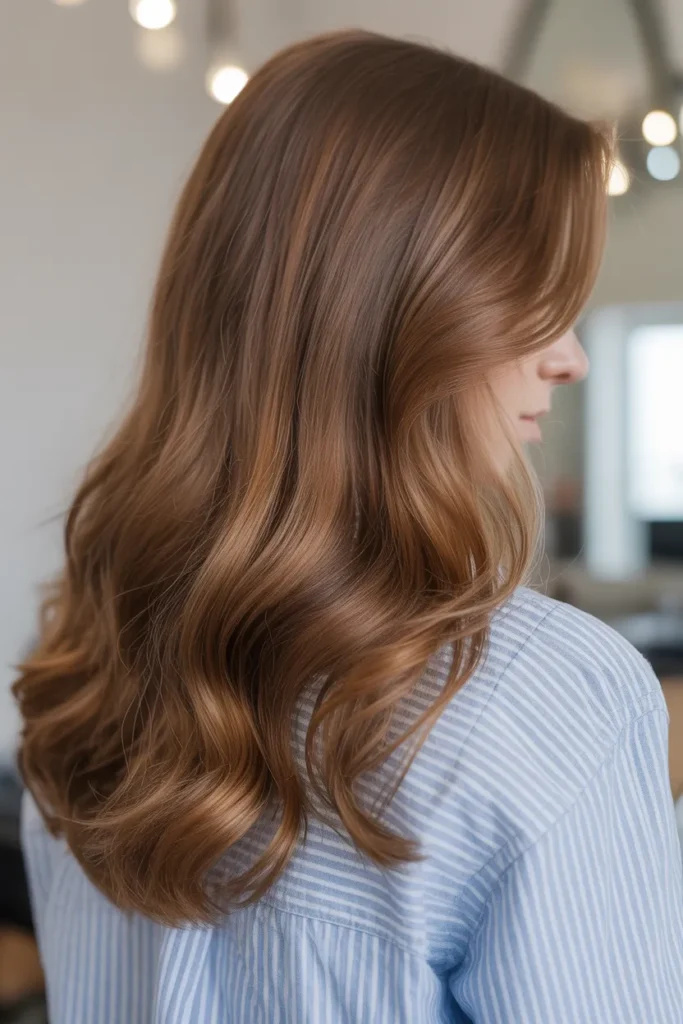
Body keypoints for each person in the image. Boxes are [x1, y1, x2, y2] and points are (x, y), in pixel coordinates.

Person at [13, 30, 683, 1024]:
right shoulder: (550, 701)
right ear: (401, 314)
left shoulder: (89, 661)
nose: (568, 356)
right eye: (530, 300)